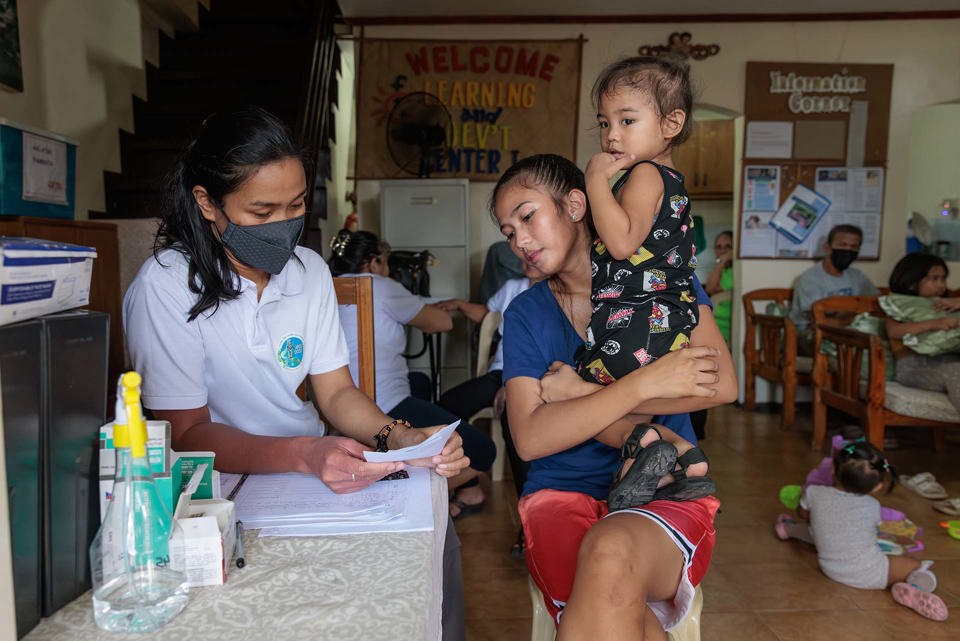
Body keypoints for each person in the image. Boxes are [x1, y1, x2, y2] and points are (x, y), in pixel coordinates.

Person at [123, 106, 469, 641]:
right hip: (221, 491)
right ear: (207, 204)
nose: (283, 226)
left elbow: (335, 393)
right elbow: (187, 434)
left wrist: (402, 439)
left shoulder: (306, 271)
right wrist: (303, 454)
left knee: (432, 541)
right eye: (262, 211)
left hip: (307, 472)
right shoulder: (166, 286)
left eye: (297, 205)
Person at [495, 154, 738, 639]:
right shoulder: (525, 312)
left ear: (576, 204)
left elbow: (720, 385)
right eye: (507, 232)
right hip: (560, 495)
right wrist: (646, 383)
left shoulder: (668, 279)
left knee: (609, 553)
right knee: (619, 609)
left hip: (666, 493)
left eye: (527, 216)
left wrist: (576, 395)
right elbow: (530, 438)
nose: (519, 241)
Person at [328, 228, 497, 519]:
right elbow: (441, 323)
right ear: (372, 264)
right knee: (483, 449)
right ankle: (406, 493)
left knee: (420, 382)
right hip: (384, 406)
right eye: (385, 263)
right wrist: (417, 307)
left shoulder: (323, 288)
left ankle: (463, 488)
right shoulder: (379, 285)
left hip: (339, 407)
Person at [787, 441, 947, 621]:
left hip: (831, 568)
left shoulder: (814, 492)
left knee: (816, 531)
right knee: (915, 564)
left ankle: (788, 529)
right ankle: (917, 588)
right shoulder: (872, 506)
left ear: (832, 469)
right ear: (877, 487)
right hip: (871, 573)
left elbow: (803, 514)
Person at [884, 252, 960, 412]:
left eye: (943, 278)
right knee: (956, 372)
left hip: (950, 358)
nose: (941, 285)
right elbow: (894, 331)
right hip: (912, 365)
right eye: (934, 278)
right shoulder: (898, 304)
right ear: (912, 283)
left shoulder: (946, 304)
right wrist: (934, 324)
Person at [788, 224, 878, 354]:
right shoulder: (811, 278)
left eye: (853, 247)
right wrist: (854, 315)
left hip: (845, 331)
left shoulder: (857, 276)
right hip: (808, 335)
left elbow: (877, 304)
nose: (848, 250)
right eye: (842, 245)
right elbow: (820, 321)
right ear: (827, 247)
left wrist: (844, 317)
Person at [703, 230, 734, 343]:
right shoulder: (722, 269)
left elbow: (711, 289)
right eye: (719, 247)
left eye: (728, 246)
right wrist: (721, 263)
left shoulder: (734, 272)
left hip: (726, 327)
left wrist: (722, 261)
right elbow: (708, 290)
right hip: (713, 325)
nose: (723, 251)